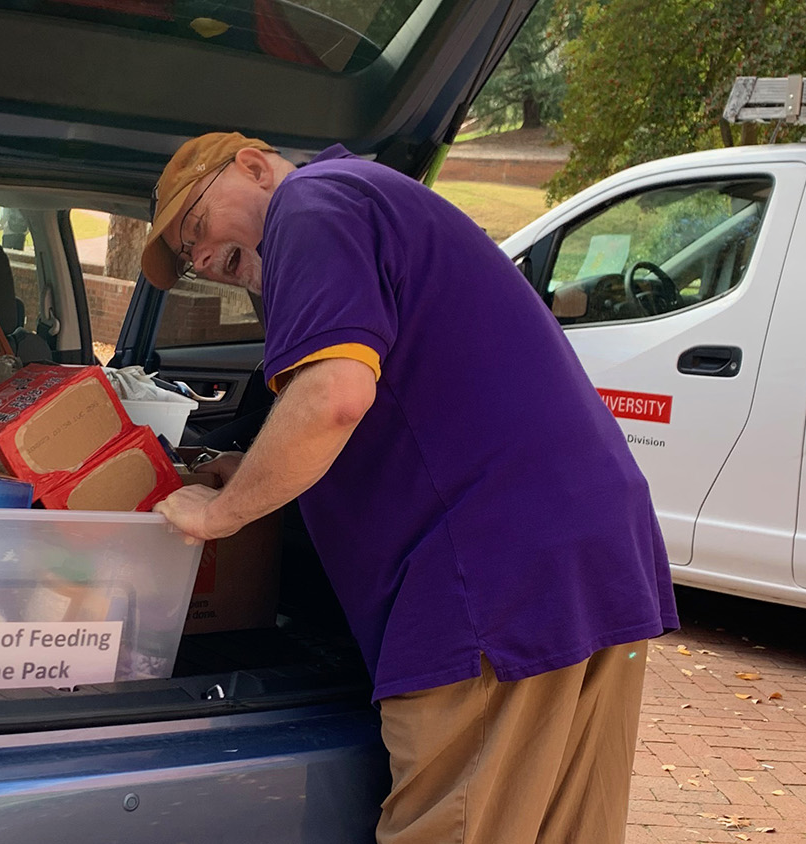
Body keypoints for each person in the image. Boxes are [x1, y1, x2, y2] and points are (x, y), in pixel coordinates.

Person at [147, 133, 679, 844]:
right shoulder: (370, 197)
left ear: (251, 166)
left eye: (195, 227)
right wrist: (251, 467)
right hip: (592, 553)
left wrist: (220, 512)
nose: (204, 259)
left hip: (490, 577)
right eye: (189, 257)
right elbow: (405, 401)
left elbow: (335, 397)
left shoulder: (308, 202)